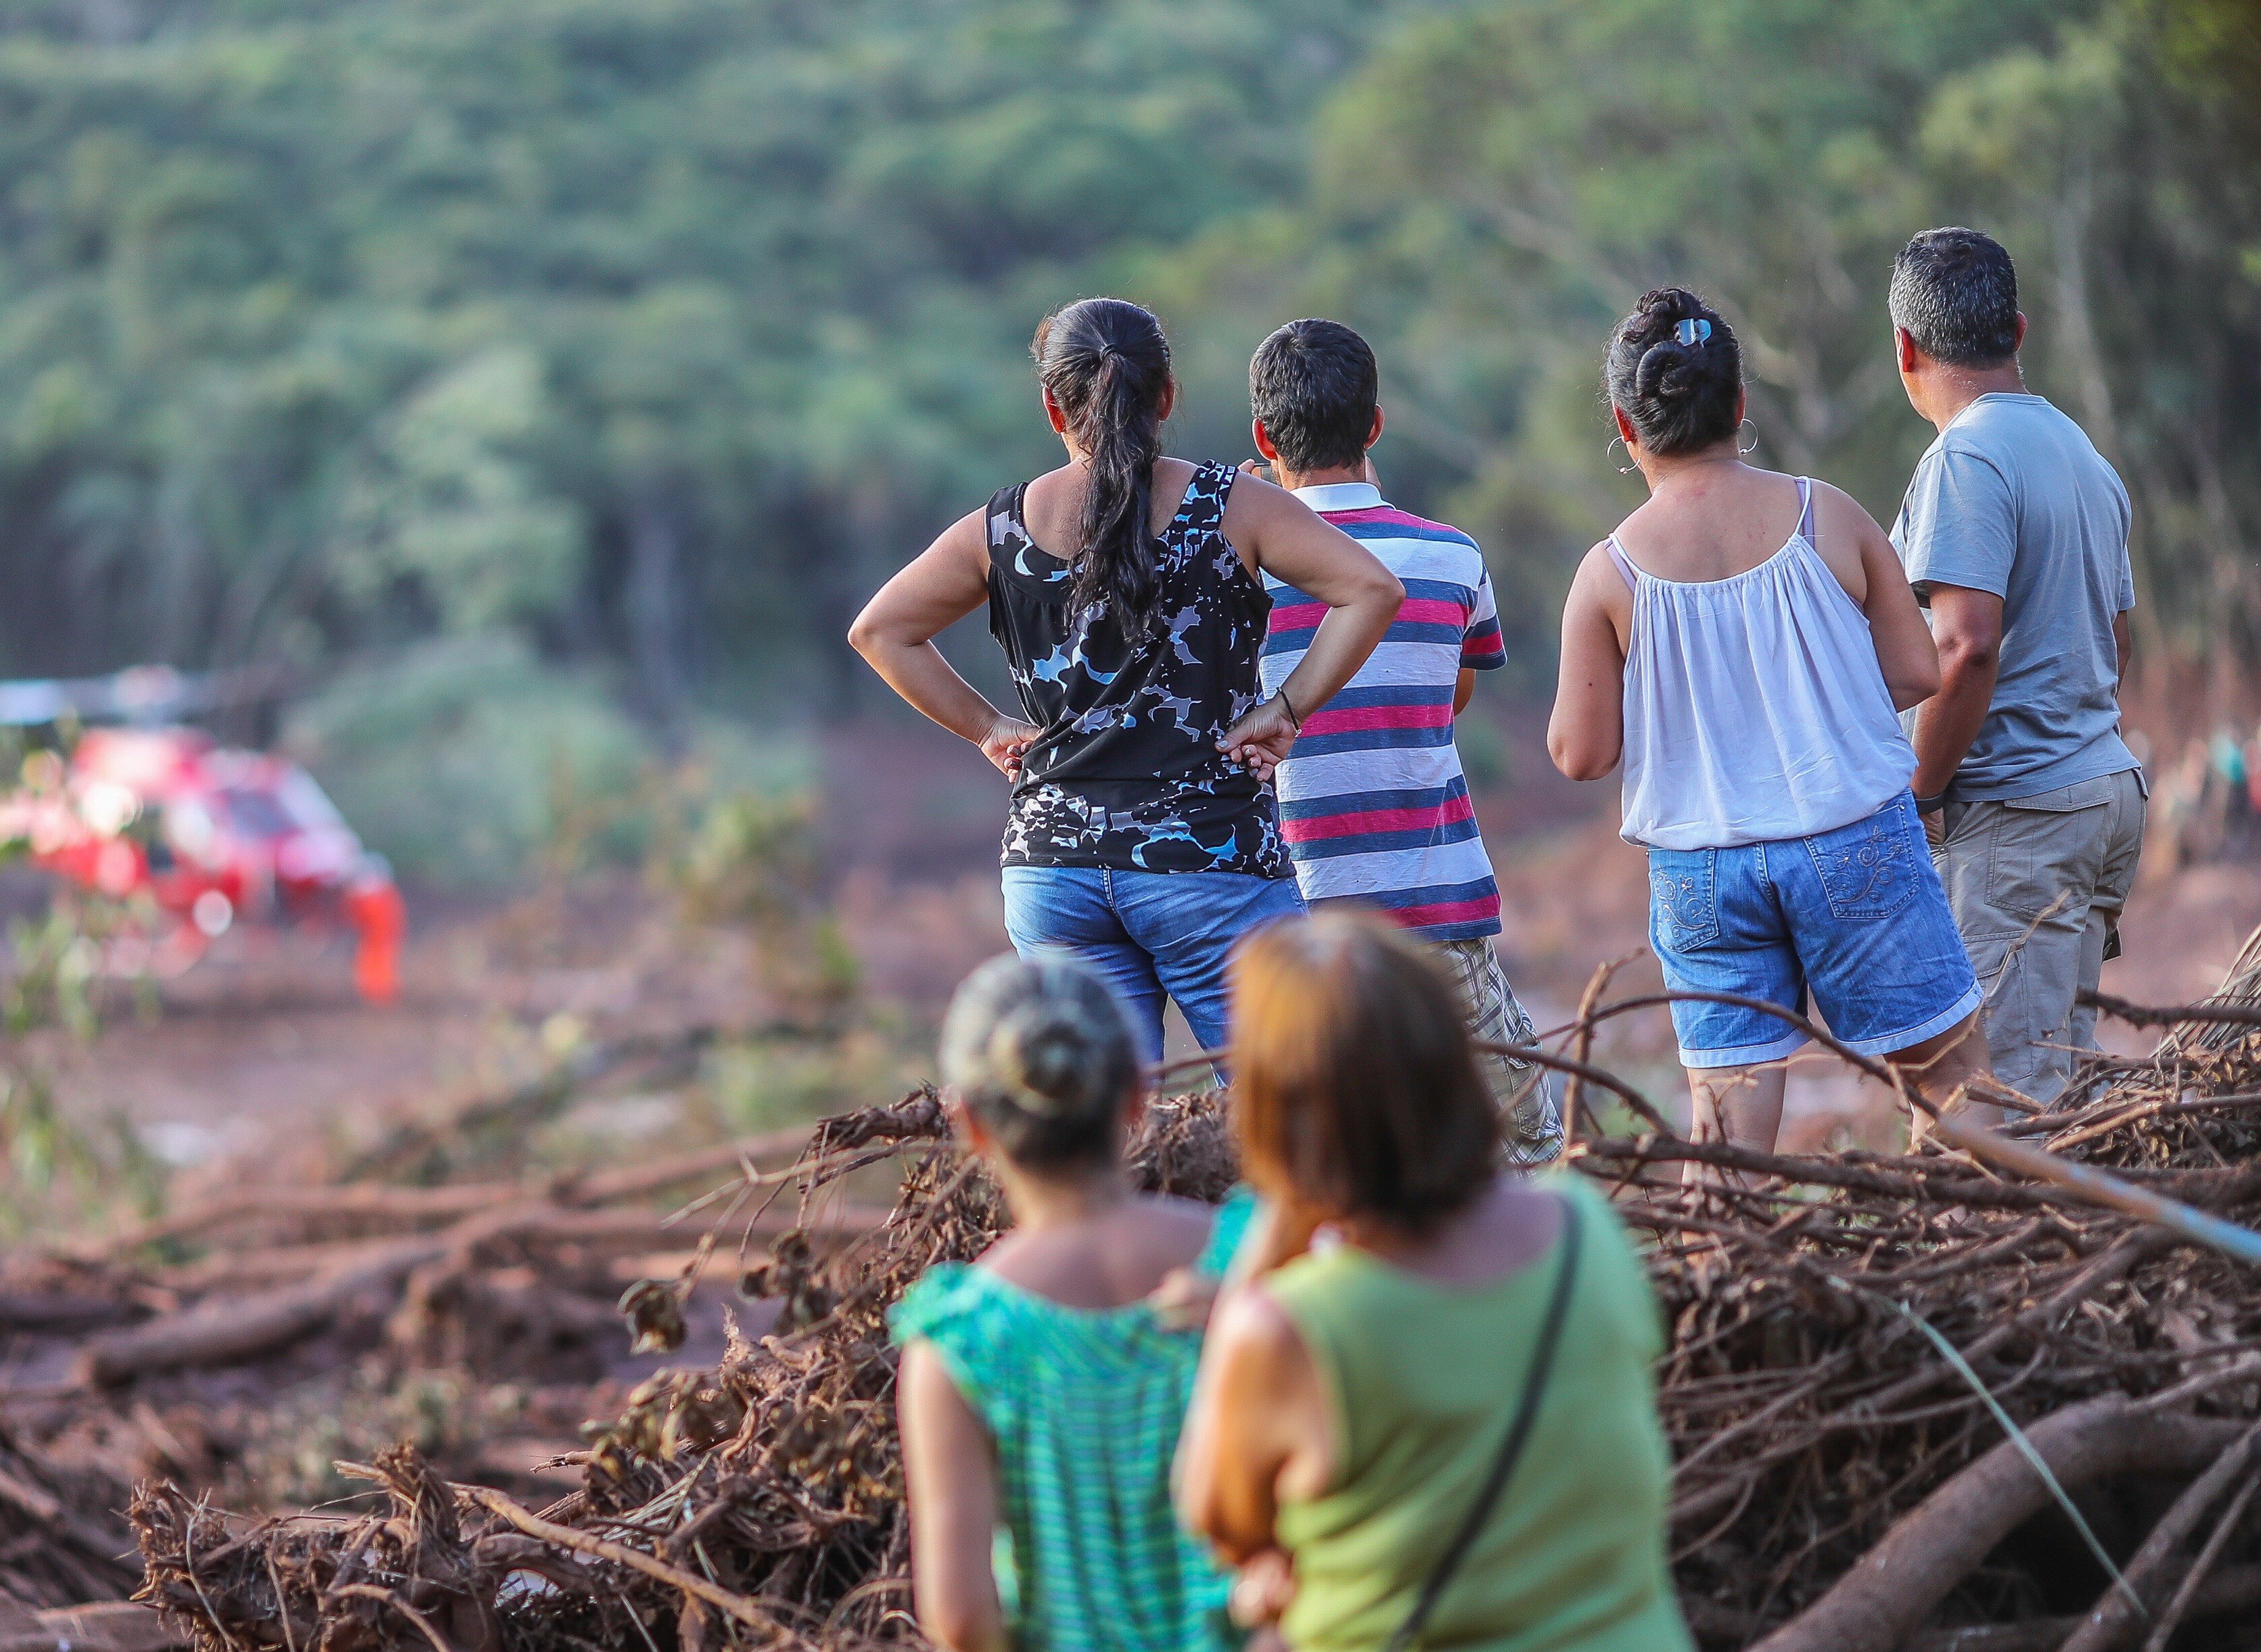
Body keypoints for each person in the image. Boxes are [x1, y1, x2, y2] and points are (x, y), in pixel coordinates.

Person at [1175, 912, 1702, 1652]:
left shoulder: (1292, 1328)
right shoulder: (1586, 1235)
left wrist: (1278, 1224)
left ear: (1278, 1115)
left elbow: (1216, 1516)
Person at [851, 297, 1404, 1065]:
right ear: (1168, 395)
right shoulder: (1233, 505)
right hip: (1209, 860)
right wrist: (1286, 709)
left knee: (1110, 1127)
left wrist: (989, 727)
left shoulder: (1002, 527)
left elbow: (880, 630)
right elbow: (1372, 589)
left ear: (1053, 407)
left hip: (1054, 870)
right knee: (1292, 1111)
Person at [1547, 287, 1988, 1147]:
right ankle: (1989, 1264)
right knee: (1952, 1090)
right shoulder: (1829, 513)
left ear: (1625, 425)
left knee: (1725, 1131)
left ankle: (1719, 1274)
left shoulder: (1607, 575)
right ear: (1740, 405)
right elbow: (1913, 670)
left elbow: (1580, 753)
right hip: (1853, 838)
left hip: (1702, 873)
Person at [892, 954, 1262, 1652]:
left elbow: (961, 1613)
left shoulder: (966, 1340)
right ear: (1138, 1096)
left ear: (971, 1124)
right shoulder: (1245, 1260)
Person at [1243, 319, 1561, 1165]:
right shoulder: (1451, 557)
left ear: (1263, 437)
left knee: (1325, 1154)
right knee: (1519, 1140)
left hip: (1299, 923)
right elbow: (1448, 696)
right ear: (1375, 427)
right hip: (1434, 911)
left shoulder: (1234, 569)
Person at [1890, 227, 2149, 1108]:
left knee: (2002, 1109)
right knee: (2058, 1090)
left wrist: (1921, 792)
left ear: (1905, 348)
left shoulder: (1966, 459)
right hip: (2100, 796)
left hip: (2019, 819)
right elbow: (2117, 643)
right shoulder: (2085, 456)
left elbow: (1965, 644)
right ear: (2020, 331)